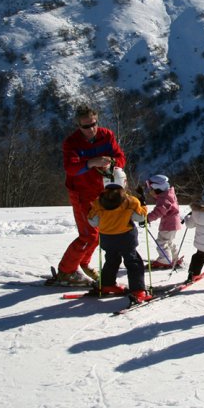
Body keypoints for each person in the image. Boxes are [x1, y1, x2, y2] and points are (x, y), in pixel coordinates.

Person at [56, 105, 126, 286]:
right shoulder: (71, 142)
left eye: (93, 124)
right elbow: (70, 169)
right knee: (89, 235)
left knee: (101, 232)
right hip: (80, 193)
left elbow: (121, 158)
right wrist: (91, 163)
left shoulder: (106, 135)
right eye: (85, 126)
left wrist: (110, 163)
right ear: (78, 125)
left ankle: (83, 263)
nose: (91, 129)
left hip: (102, 190)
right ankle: (66, 271)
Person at [87, 167, 152, 304]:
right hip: (126, 238)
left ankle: (107, 284)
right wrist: (143, 204)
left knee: (111, 260)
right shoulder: (130, 201)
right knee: (133, 262)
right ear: (123, 182)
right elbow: (140, 217)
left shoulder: (99, 202)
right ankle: (138, 290)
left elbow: (93, 221)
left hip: (107, 238)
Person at [144, 174, 183, 269]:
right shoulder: (168, 194)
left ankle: (164, 260)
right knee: (169, 242)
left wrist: (147, 218)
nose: (150, 192)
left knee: (162, 242)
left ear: (158, 189)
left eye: (151, 190)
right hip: (173, 223)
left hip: (168, 224)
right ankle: (175, 258)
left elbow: (159, 211)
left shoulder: (164, 199)